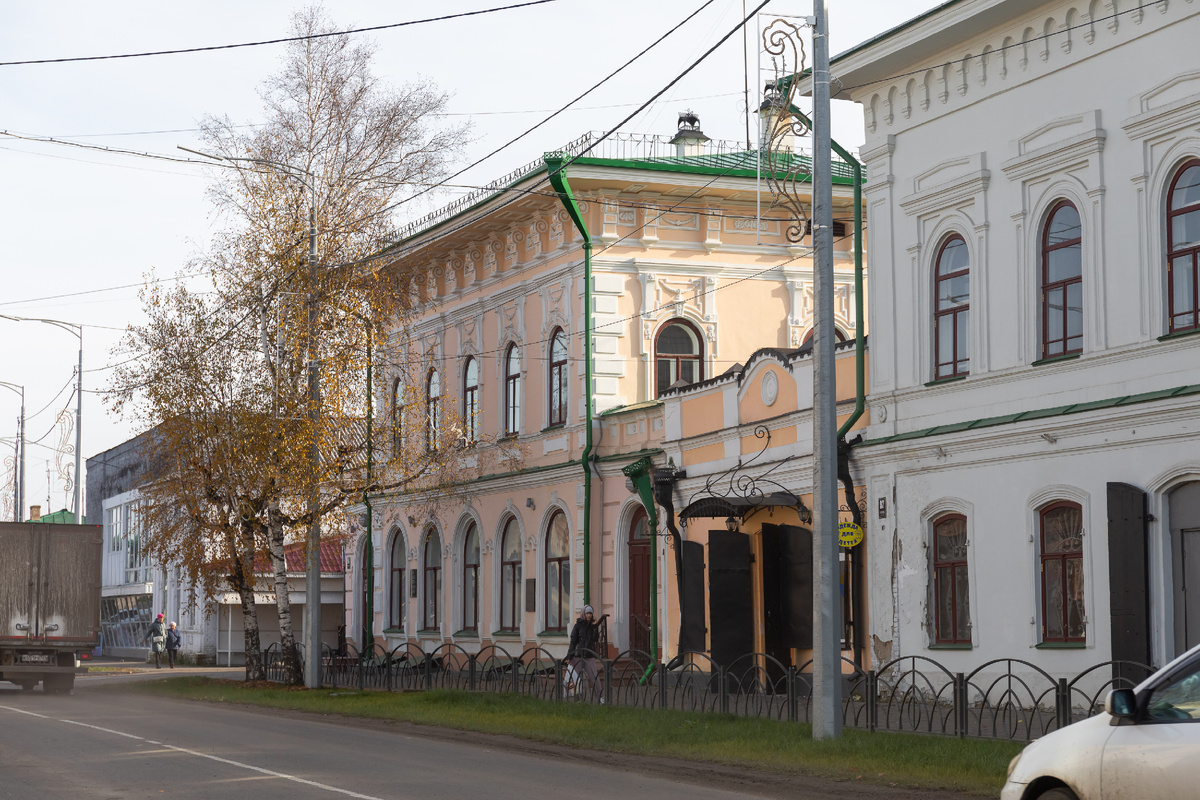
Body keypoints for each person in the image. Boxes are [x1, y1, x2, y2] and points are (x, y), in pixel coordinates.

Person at [565, 605, 601, 701]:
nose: (589, 615)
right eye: (587, 613)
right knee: (575, 678)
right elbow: (573, 642)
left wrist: (595, 627)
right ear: (583, 614)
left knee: (594, 677)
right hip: (577, 656)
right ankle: (577, 698)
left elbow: (595, 639)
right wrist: (569, 656)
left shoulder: (593, 627)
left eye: (590, 613)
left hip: (589, 656)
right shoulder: (577, 626)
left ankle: (600, 697)